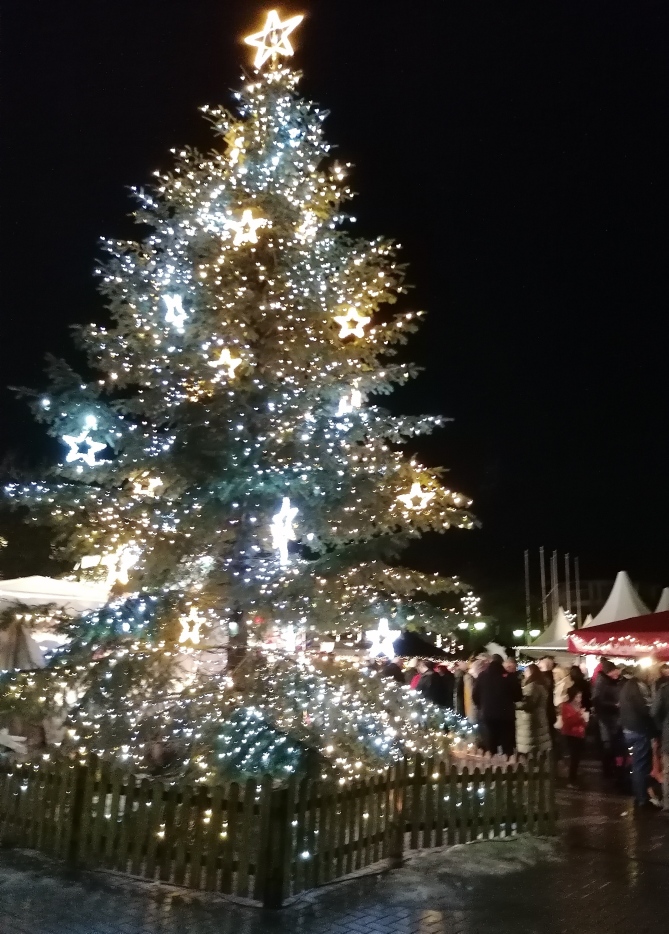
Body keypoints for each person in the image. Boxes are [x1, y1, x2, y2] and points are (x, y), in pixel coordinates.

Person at [619, 666, 660, 813]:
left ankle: (639, 795)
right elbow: (646, 710)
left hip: (629, 728)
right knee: (640, 766)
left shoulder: (627, 686)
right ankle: (642, 798)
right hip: (638, 730)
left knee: (638, 764)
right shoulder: (638, 687)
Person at [472, 654, 522, 756]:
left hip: (487, 714)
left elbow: (475, 696)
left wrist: (482, 706)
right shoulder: (509, 676)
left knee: (491, 740)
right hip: (506, 715)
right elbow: (518, 696)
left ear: (491, 662)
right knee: (507, 741)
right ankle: (508, 761)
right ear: (502, 663)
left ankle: (492, 763)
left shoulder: (482, 676)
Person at [515, 663, 552, 759]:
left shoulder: (532, 686)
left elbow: (529, 704)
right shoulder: (542, 685)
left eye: (526, 671)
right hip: (540, 719)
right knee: (539, 748)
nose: (524, 673)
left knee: (532, 749)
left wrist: (514, 705)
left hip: (530, 721)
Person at [592, 659, 621, 779]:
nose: (617, 674)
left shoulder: (608, 681)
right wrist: (614, 704)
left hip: (611, 717)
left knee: (611, 744)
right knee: (607, 744)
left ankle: (611, 769)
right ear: (609, 671)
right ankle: (607, 771)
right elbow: (597, 700)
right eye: (615, 671)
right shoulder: (601, 682)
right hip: (605, 718)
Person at [561, 684, 588, 787]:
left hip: (579, 734)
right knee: (573, 758)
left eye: (580, 696)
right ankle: (571, 780)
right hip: (571, 735)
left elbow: (583, 723)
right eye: (577, 696)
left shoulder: (579, 706)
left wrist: (584, 720)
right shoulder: (566, 706)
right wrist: (579, 716)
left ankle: (573, 778)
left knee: (577, 758)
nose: (579, 699)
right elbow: (568, 722)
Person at [651, 662, 669, 815]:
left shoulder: (664, 690)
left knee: (668, 771)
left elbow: (654, 712)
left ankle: (668, 804)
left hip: (668, 735)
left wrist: (662, 725)